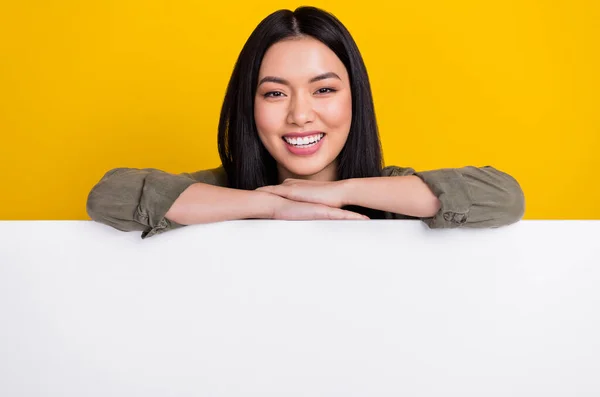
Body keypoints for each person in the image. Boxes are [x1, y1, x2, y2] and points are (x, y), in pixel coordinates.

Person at [86, 6, 525, 239]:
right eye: (275, 93)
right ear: (249, 105)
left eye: (324, 90)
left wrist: (339, 192)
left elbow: (503, 197)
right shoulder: (218, 191)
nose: (299, 114)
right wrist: (271, 204)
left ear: (356, 100)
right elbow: (111, 196)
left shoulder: (390, 192)